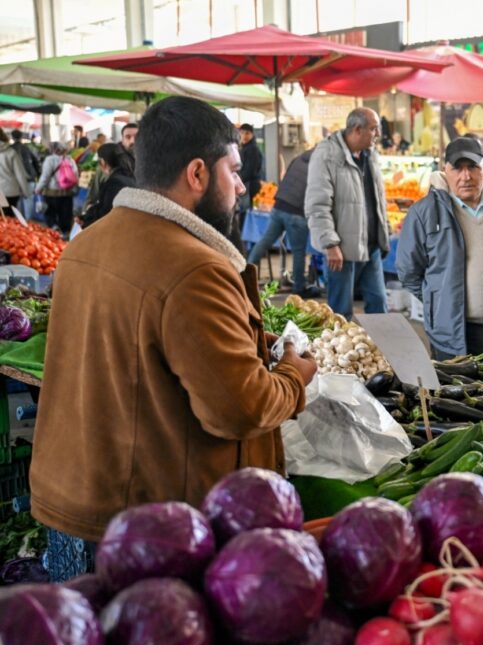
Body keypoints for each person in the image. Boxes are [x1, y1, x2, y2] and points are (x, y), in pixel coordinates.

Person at [29, 96, 316, 559]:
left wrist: (241, 343)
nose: (241, 187)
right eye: (234, 171)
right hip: (155, 527)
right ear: (197, 174)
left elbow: (139, 351)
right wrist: (292, 376)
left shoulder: (87, 244)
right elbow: (240, 410)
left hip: (78, 499)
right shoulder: (195, 268)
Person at [398, 137, 483, 360]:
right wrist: (438, 300)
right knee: (455, 392)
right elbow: (408, 271)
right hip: (450, 331)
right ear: (445, 171)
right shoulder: (424, 212)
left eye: (473, 167)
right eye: (457, 168)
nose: (466, 176)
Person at [305, 107, 390, 318]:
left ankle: (382, 349)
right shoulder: (327, 155)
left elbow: (378, 199)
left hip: (371, 247)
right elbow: (317, 205)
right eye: (374, 129)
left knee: (379, 303)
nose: (378, 134)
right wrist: (330, 244)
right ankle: (338, 350)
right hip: (341, 250)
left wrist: (384, 232)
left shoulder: (371, 156)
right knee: (341, 312)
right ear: (357, 129)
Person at [247, 149, 317, 297]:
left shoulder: (298, 159)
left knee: (265, 241)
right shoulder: (319, 165)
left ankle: (245, 273)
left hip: (279, 206)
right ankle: (299, 287)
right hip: (297, 212)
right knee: (299, 252)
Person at [79, 142, 135, 228]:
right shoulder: (131, 176)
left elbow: (105, 214)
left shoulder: (114, 183)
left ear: (103, 162)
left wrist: (85, 221)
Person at [35, 142, 76, 235]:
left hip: (52, 194)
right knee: (65, 217)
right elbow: (75, 176)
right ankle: (65, 235)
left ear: (53, 149)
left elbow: (45, 177)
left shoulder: (50, 160)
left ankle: (54, 232)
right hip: (67, 194)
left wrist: (38, 189)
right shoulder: (70, 159)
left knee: (51, 215)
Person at [235, 123, 265, 252]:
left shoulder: (252, 149)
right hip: (248, 186)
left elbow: (250, 171)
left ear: (252, 134)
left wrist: (237, 181)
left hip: (251, 188)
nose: (244, 136)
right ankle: (247, 247)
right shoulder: (245, 148)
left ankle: (248, 248)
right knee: (245, 217)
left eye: (247, 133)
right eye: (242, 133)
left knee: (247, 217)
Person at [0, 129, 31, 217]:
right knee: (9, 221)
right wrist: (26, 192)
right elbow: (20, 175)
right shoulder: (11, 152)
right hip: (10, 192)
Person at [10, 130, 39, 219]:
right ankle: (27, 222)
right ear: (21, 137)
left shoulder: (10, 149)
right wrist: (36, 174)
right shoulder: (27, 148)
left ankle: (19, 222)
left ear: (12, 137)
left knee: (17, 202)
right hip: (29, 178)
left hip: (14, 180)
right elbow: (35, 161)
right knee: (28, 200)